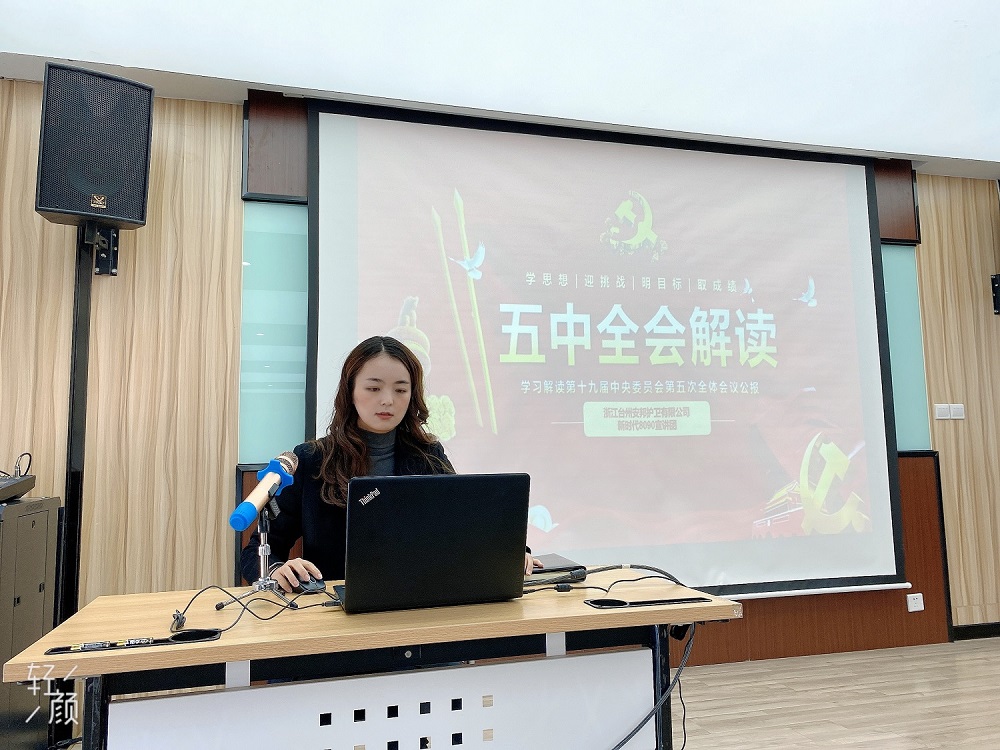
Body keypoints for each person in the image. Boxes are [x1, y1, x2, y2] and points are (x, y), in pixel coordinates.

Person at [240, 335, 539, 592]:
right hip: (335, 613)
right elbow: (256, 552)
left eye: (400, 389)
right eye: (373, 388)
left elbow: (466, 527)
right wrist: (276, 569)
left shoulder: (428, 455)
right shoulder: (313, 459)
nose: (388, 400)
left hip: (417, 602)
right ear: (350, 391)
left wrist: (510, 552)